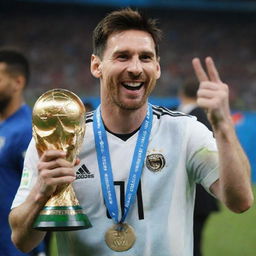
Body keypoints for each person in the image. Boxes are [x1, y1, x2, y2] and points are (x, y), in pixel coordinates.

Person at [9, 8, 253, 256]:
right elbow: (22, 240)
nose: (136, 68)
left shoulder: (185, 131)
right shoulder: (59, 140)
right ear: (96, 65)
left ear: (157, 68)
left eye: (145, 58)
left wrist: (223, 128)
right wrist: (42, 192)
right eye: (122, 56)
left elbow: (240, 201)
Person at [0, 49, 46, 256]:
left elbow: (39, 192)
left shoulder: (29, 131)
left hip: (16, 248)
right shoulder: (5, 127)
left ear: (17, 83)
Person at [177, 79, 220, 256]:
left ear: (181, 93)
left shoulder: (193, 118)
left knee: (191, 244)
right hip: (200, 194)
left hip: (197, 194)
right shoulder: (206, 115)